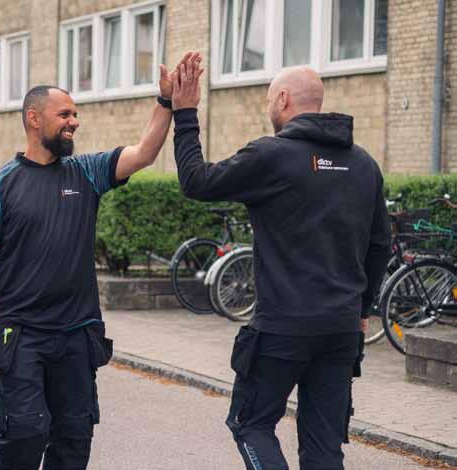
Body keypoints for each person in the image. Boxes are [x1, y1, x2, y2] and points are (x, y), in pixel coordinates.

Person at [169, 53, 391, 469]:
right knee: (324, 446)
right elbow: (381, 245)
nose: (268, 106)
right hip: (341, 330)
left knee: (250, 423)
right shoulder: (364, 164)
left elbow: (196, 181)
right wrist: (362, 310)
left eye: (270, 98)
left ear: (284, 99)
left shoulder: (271, 155)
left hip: (281, 331)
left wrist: (184, 113)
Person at [0, 60, 183, 469]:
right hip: (20, 333)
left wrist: (165, 100)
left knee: (74, 438)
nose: (74, 122)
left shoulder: (87, 173)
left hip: (76, 334)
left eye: (75, 114)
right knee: (24, 431)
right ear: (34, 119)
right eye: (64, 114)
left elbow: (144, 153)